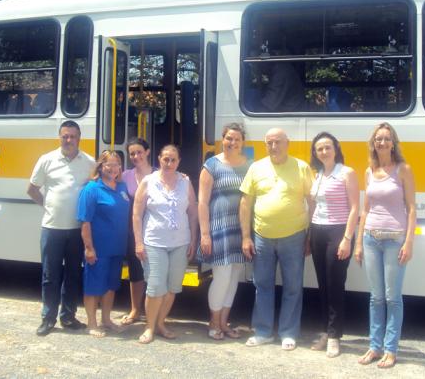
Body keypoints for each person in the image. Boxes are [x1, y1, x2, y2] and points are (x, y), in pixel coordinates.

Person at [239, 128, 314, 351]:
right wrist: (245, 236)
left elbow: (313, 202)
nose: (274, 147)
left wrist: (310, 235)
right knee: (262, 285)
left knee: (293, 287)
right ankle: (263, 332)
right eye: (269, 142)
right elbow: (245, 203)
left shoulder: (301, 167)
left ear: (287, 142)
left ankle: (288, 333)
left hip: (295, 236)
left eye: (278, 142)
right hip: (262, 236)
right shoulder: (256, 167)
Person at [354, 122, 417, 369]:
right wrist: (358, 242)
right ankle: (374, 346)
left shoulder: (403, 169)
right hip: (371, 238)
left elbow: (411, 208)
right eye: (378, 139)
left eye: (386, 139)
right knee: (376, 298)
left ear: (393, 143)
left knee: (393, 298)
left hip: (394, 239)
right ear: (373, 143)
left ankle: (391, 350)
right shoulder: (369, 171)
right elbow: (366, 209)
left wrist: (409, 242)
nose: (382, 142)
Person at [27, 120, 95, 336]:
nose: (69, 140)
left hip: (76, 230)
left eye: (73, 136)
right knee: (50, 275)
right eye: (65, 136)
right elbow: (32, 189)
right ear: (59, 137)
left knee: (74, 275)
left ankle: (68, 317)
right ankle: (48, 318)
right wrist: (47, 206)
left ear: (79, 139)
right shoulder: (47, 160)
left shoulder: (89, 163)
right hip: (52, 228)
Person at [132, 144, 198, 344]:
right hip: (154, 242)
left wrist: (193, 238)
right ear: (159, 159)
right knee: (155, 287)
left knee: (172, 286)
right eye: (165, 159)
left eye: (173, 160)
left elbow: (193, 212)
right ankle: (149, 327)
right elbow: (136, 213)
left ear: (179, 162)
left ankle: (161, 323)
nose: (169, 163)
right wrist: (138, 242)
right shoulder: (148, 181)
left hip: (180, 242)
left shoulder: (186, 182)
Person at [198, 123, 251, 340]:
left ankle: (223, 322)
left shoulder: (249, 165)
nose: (232, 143)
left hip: (241, 228)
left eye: (237, 139)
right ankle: (213, 322)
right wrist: (204, 233)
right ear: (223, 139)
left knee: (234, 277)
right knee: (222, 276)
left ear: (242, 142)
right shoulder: (211, 164)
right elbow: (202, 201)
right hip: (219, 227)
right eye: (229, 138)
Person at [308, 132, 360, 358]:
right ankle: (325, 332)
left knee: (335, 283)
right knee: (322, 284)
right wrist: (308, 235)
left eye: (327, 147)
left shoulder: (346, 173)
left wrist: (347, 238)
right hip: (317, 231)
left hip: (338, 232)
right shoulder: (318, 174)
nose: (323, 152)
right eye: (319, 149)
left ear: (336, 149)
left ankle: (335, 336)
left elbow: (355, 208)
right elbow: (313, 208)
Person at [77, 150, 131, 337]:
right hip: (99, 249)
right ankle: (91, 323)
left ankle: (106, 320)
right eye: (109, 164)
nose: (113, 168)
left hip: (117, 248)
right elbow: (85, 221)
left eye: (117, 164)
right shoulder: (91, 189)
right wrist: (89, 248)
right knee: (93, 286)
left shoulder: (122, 187)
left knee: (110, 286)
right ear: (101, 166)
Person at [120, 138, 154, 325]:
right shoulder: (125, 175)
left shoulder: (158, 174)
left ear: (147, 152)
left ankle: (153, 310)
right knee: (135, 269)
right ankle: (135, 309)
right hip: (133, 229)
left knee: (155, 269)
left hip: (155, 228)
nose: (136, 156)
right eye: (132, 153)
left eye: (139, 152)